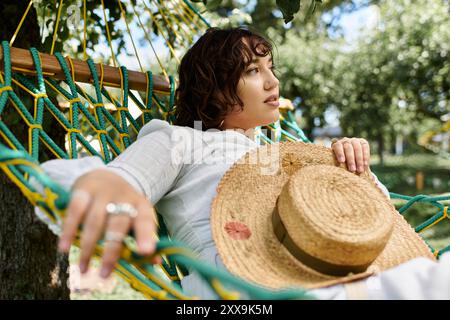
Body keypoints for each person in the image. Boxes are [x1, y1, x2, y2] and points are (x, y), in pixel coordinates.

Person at [39, 27, 447, 300]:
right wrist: (111, 186)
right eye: (253, 71)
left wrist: (353, 169)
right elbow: (121, 180)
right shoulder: (180, 139)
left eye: (271, 69)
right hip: (244, 294)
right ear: (213, 86)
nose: (273, 83)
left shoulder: (285, 152)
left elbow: (374, 222)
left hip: (335, 279)